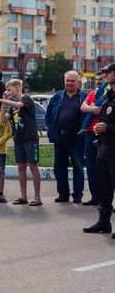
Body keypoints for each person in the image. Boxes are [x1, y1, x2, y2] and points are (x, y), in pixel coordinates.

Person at [0, 79, 42, 206]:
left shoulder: (26, 99)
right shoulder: (12, 105)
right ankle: (23, 196)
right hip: (19, 139)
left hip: (30, 138)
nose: (8, 92)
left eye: (10, 89)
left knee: (33, 166)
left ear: (17, 88)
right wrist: (3, 103)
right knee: (21, 168)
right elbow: (2, 120)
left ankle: (37, 197)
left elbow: (19, 106)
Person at [45, 70, 88, 203]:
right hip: (60, 137)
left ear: (78, 82)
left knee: (78, 166)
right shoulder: (57, 97)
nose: (69, 83)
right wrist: (51, 129)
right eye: (67, 80)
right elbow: (49, 115)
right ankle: (63, 193)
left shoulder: (84, 97)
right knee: (59, 167)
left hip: (77, 137)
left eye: (72, 81)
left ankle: (77, 195)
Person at [83, 63, 115, 237]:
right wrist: (99, 128)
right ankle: (104, 222)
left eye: (108, 72)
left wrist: (108, 128)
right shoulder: (108, 95)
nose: (105, 76)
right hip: (104, 146)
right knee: (102, 185)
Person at [80, 70, 108, 206]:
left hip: (104, 135)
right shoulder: (93, 94)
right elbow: (83, 107)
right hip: (90, 134)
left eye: (102, 79)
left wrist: (94, 108)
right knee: (91, 167)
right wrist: (93, 109)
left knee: (106, 168)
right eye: (97, 79)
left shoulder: (108, 95)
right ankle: (95, 197)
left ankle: (106, 199)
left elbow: (103, 109)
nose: (99, 81)